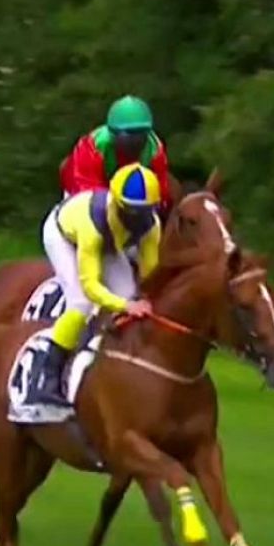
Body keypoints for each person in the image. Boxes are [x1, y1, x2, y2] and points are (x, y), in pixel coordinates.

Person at [24, 163, 163, 414]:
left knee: (130, 294)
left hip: (111, 243)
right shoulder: (93, 226)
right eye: (130, 212)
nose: (136, 220)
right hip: (63, 235)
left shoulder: (151, 226)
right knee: (81, 303)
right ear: (117, 204)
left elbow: (151, 274)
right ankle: (46, 376)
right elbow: (91, 285)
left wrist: (146, 299)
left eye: (143, 212)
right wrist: (127, 306)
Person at [58, 95, 174, 215]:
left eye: (140, 134)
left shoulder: (155, 149)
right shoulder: (93, 146)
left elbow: (160, 189)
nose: (135, 142)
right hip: (82, 189)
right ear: (113, 133)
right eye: (129, 135)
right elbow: (85, 189)